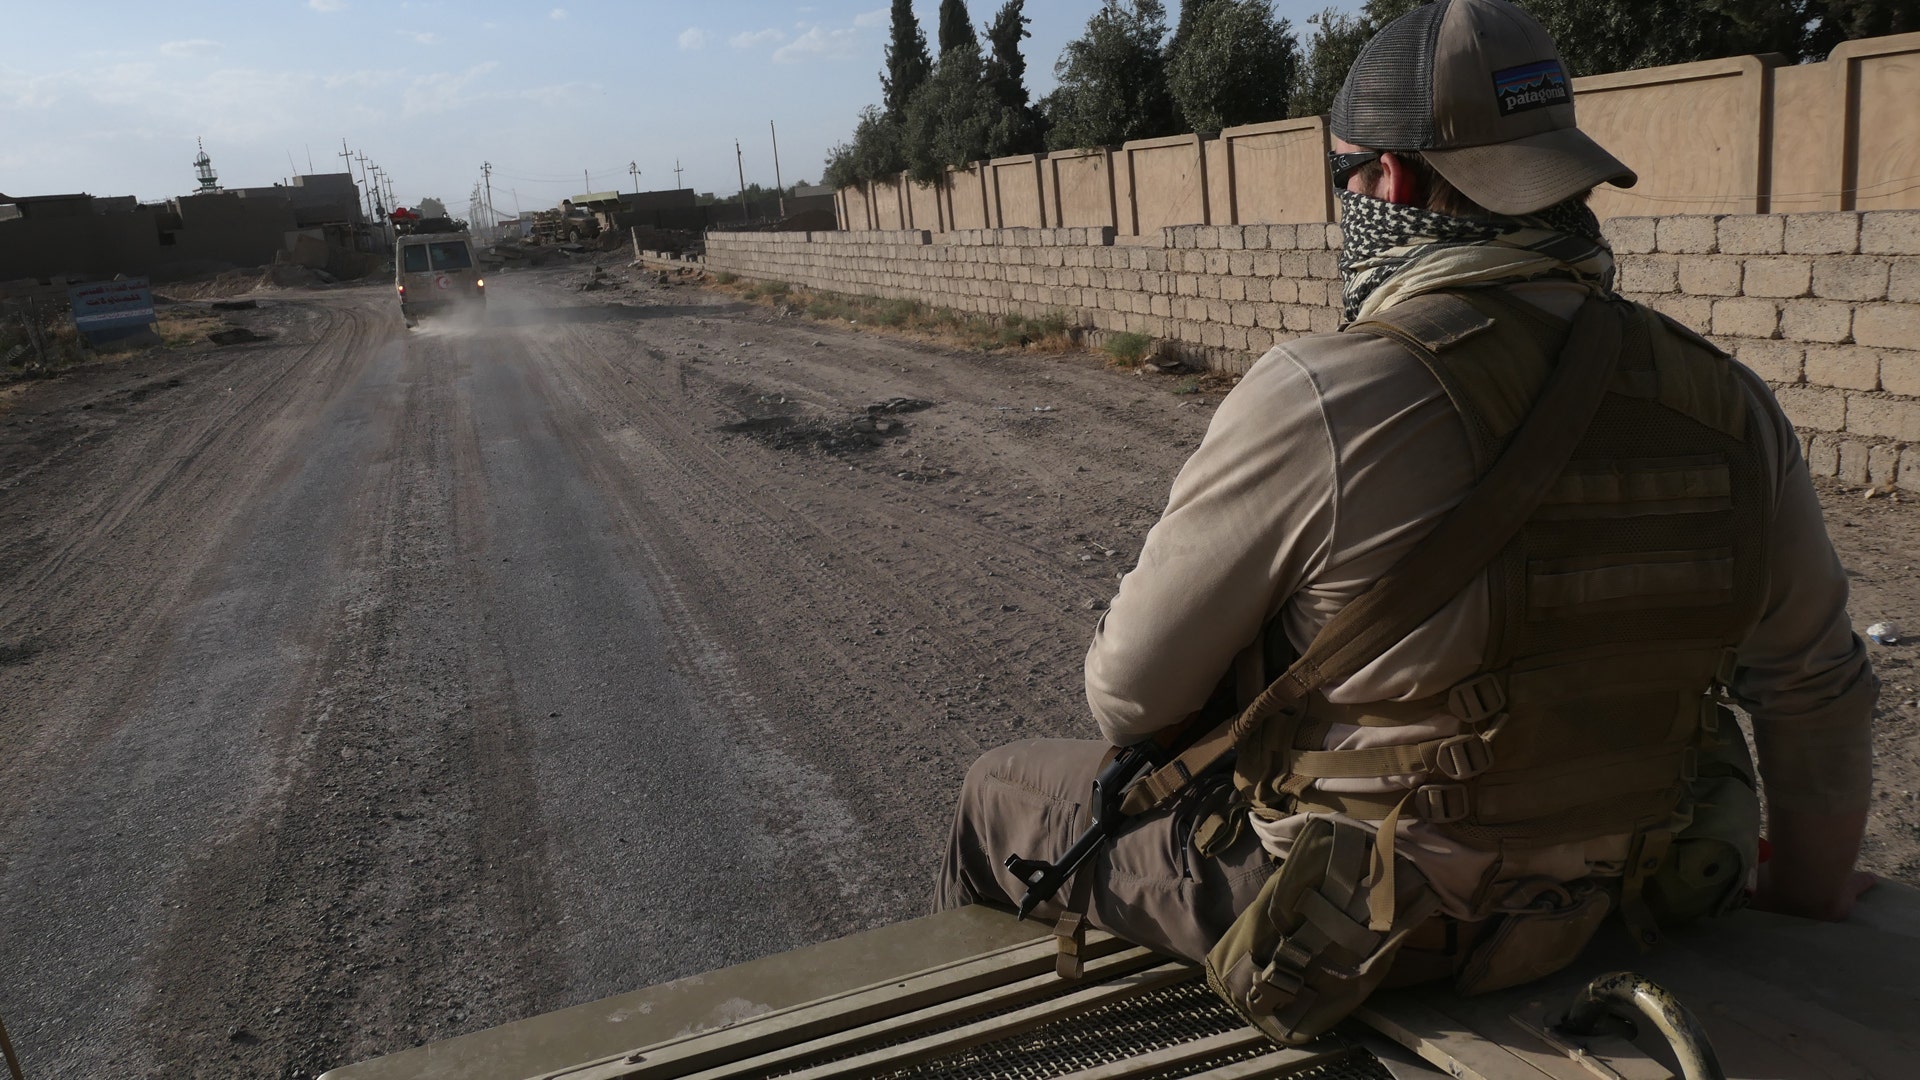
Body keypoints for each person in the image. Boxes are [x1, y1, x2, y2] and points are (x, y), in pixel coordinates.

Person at [936, 0, 1876, 1034]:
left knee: (997, 794)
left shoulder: (1324, 392)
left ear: (1388, 178)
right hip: (1627, 893)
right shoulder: (1728, 401)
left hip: (1372, 931)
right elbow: (1815, 687)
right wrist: (1805, 906)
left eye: (1346, 176)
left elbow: (1127, 697)